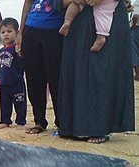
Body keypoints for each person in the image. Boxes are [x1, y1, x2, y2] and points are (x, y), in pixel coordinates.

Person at [58, 1, 135, 143]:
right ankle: (73, 127)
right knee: (77, 73)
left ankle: (99, 128)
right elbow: (62, 3)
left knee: (101, 71)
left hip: (107, 19)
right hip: (78, 24)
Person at [17, 0, 65, 134]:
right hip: (31, 29)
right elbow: (28, 3)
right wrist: (20, 32)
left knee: (56, 78)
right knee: (34, 79)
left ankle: (61, 122)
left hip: (56, 30)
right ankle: (39, 121)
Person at [0, 18, 27, 129]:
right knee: (4, 104)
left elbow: (24, 62)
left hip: (17, 82)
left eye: (9, 31)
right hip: (4, 83)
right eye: (3, 32)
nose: (6, 34)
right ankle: (5, 120)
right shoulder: (1, 51)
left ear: (16, 32)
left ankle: (21, 122)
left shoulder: (18, 48)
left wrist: (21, 52)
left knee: (20, 103)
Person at [132, 0, 139, 80]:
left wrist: (133, 26)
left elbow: (136, 16)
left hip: (136, 28)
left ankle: (138, 75)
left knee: (134, 51)